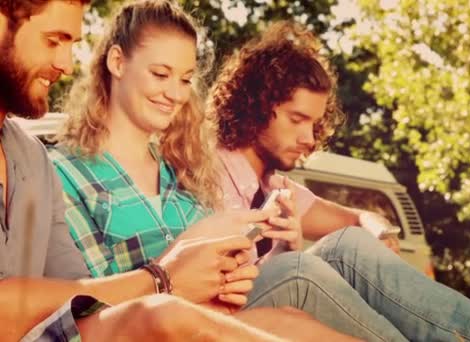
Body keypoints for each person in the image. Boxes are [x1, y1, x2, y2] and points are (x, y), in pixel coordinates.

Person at [0, 1, 356, 341]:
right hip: (150, 321)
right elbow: (87, 306)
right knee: (302, 273)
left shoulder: (33, 159)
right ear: (117, 63)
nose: (66, 64)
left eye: (185, 79)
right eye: (160, 74)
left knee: (295, 312)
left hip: (185, 317)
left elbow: (78, 296)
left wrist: (227, 276)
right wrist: (167, 273)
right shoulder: (64, 168)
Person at [207, 20, 470, 342]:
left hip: (264, 307)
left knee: (349, 244)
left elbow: (357, 219)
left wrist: (379, 228)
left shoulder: (276, 189)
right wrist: (285, 255)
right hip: (209, 318)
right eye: (297, 119)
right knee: (300, 269)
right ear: (255, 106)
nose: (308, 138)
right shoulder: (203, 169)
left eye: (315, 124)